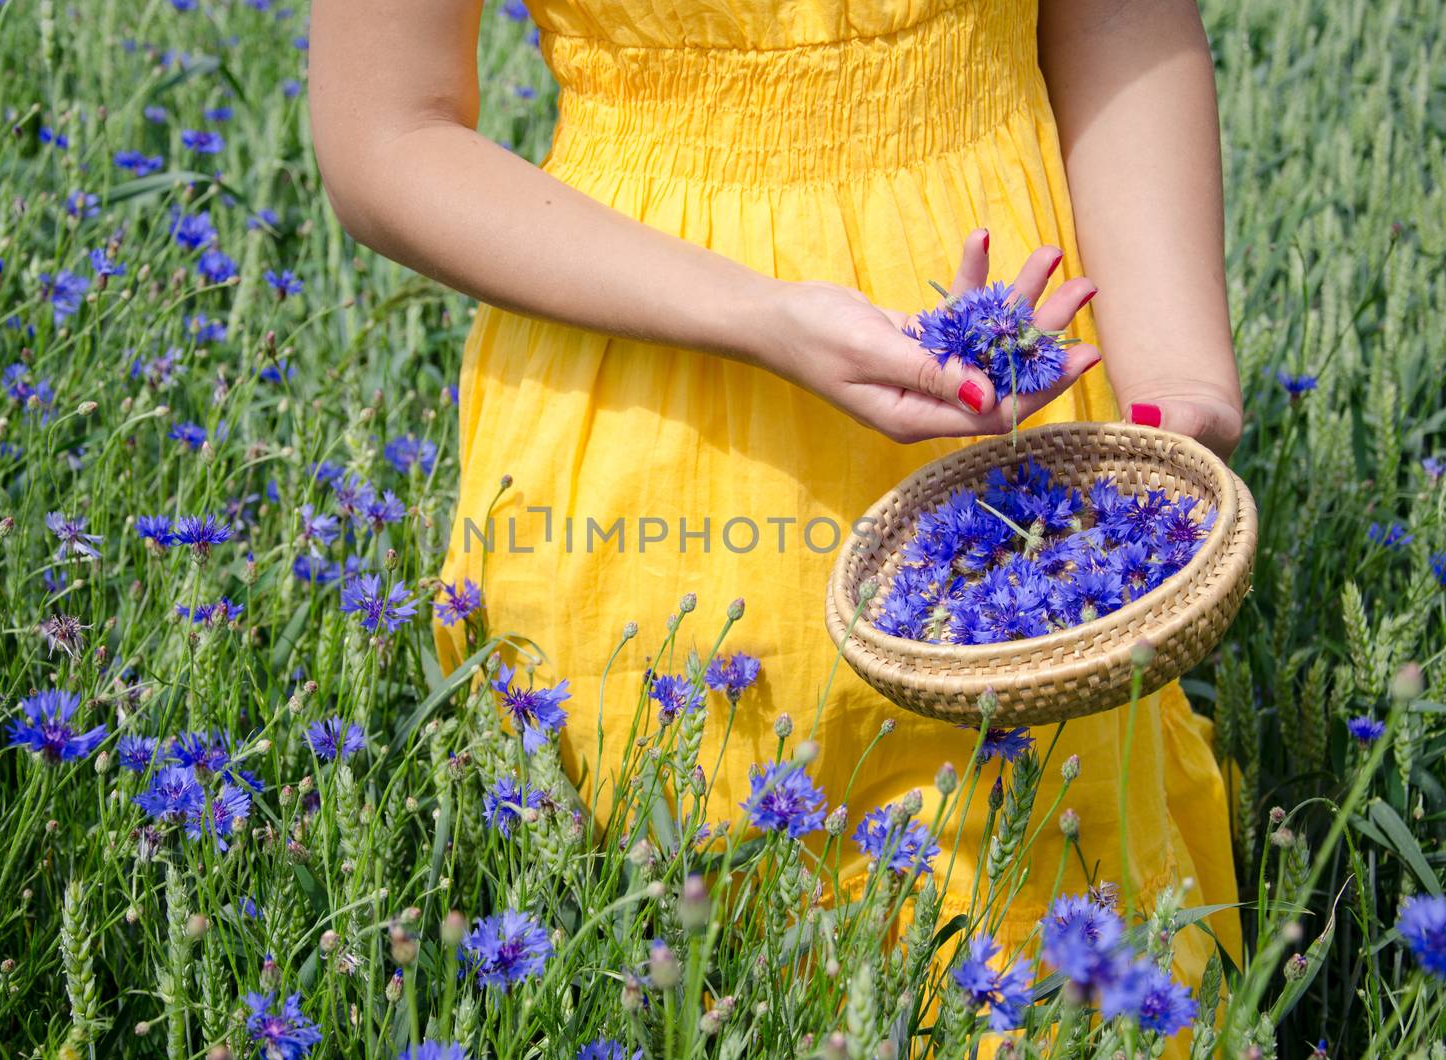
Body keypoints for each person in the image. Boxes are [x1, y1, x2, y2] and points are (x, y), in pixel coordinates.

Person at [310, 0, 1244, 984]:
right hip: (661, 426)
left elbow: (1119, 20)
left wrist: (1176, 375)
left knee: (1038, 958)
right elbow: (386, 135)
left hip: (1017, 440)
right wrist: (760, 313)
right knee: (699, 966)